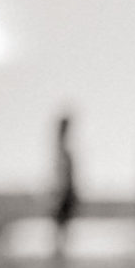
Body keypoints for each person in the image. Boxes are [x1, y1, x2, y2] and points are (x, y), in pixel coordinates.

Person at [52, 110, 79, 259]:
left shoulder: (63, 149)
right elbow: (61, 174)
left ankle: (61, 251)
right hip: (62, 191)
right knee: (61, 222)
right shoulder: (61, 150)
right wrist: (60, 192)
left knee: (65, 221)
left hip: (65, 190)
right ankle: (59, 251)